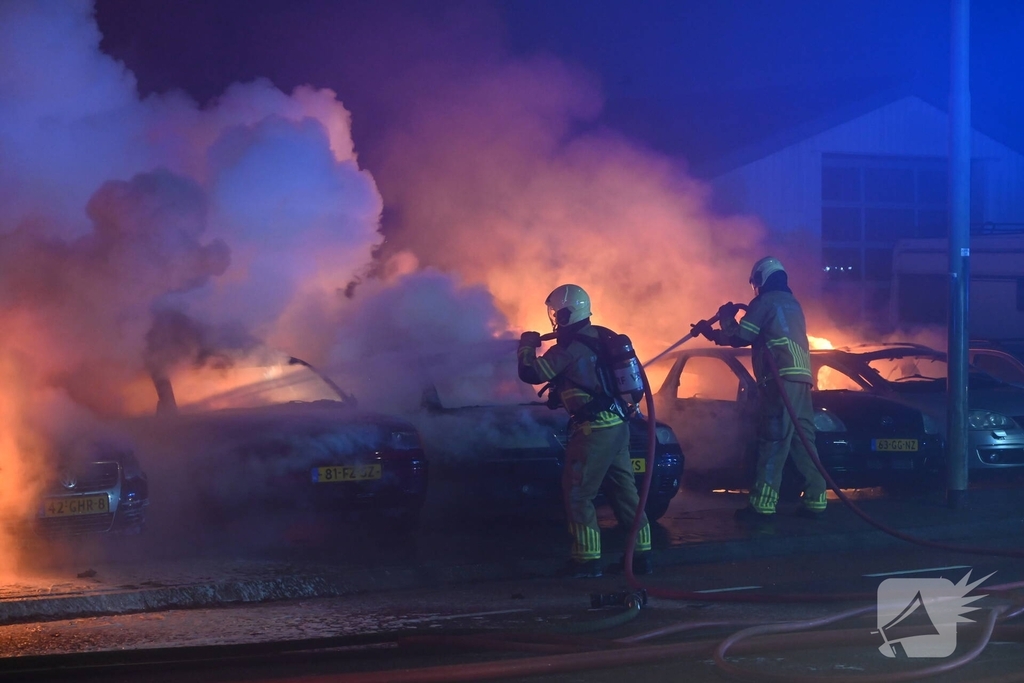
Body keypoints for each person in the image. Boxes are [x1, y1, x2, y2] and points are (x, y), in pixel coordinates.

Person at [518, 284, 653, 578]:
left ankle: (587, 560)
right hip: (618, 425)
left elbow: (531, 373)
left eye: (557, 313)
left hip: (594, 431)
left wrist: (526, 346)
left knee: (579, 492)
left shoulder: (567, 349)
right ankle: (642, 557)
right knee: (624, 492)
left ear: (567, 313)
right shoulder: (600, 337)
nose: (554, 319)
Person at [691, 257, 827, 520]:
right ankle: (816, 499)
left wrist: (727, 318)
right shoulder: (793, 303)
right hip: (801, 380)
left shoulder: (764, 302)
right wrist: (712, 333)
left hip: (780, 382)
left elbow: (742, 336)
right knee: (802, 440)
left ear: (761, 279)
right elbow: (751, 335)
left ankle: (762, 505)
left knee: (774, 438)